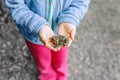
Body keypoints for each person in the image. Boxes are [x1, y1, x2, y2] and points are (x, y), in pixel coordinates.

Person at [5, 0, 90, 80]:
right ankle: (47, 76)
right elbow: (15, 5)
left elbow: (81, 2)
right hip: (34, 34)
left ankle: (61, 75)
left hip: (61, 31)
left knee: (60, 60)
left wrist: (70, 18)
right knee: (42, 61)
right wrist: (38, 25)